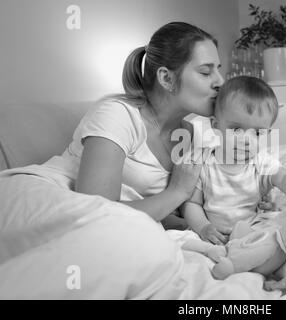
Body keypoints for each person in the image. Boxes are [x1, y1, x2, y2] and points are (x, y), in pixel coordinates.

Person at [0, 22, 227, 299]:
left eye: (219, 69)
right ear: (167, 79)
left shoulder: (188, 134)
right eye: (206, 71)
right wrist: (177, 191)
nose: (220, 81)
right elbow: (99, 210)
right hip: (40, 196)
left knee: (150, 248)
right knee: (137, 240)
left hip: (111, 222)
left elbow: (174, 210)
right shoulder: (118, 114)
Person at [181, 76, 286, 245]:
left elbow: (285, 177)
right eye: (236, 129)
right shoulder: (203, 163)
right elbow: (192, 204)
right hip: (214, 235)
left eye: (258, 133)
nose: (246, 139)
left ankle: (279, 256)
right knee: (186, 242)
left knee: (280, 229)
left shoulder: (260, 162)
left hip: (254, 231)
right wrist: (203, 227)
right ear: (216, 126)